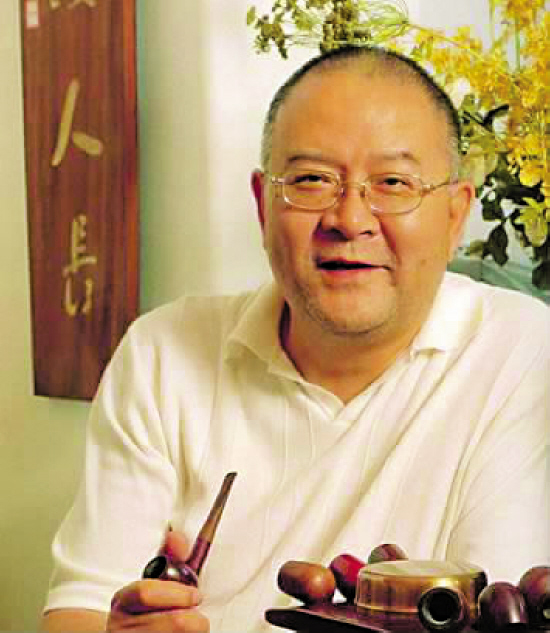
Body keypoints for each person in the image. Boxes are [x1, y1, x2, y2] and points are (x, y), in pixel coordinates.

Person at [41, 45, 549, 633]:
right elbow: (77, 608)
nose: (349, 219)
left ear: (455, 215)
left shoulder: (523, 352)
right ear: (262, 204)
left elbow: (500, 613)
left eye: (393, 182)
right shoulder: (163, 351)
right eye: (311, 180)